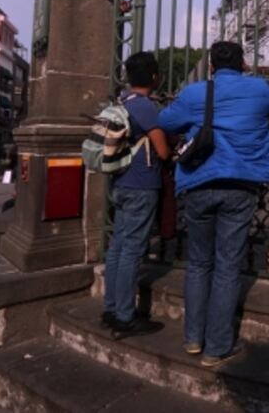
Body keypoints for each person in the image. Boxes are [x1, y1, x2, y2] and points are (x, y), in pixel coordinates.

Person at [159, 41, 269, 367]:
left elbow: (165, 122)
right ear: (243, 63)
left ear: (211, 66)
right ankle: (218, 347)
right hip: (241, 185)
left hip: (199, 183)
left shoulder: (194, 93)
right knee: (227, 265)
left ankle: (193, 339)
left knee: (199, 263)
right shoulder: (258, 89)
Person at [102, 51, 171, 340]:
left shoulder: (121, 102)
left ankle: (112, 307)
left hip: (120, 183)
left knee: (118, 247)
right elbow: (163, 150)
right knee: (132, 250)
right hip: (142, 185)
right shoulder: (145, 108)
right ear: (154, 77)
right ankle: (126, 317)